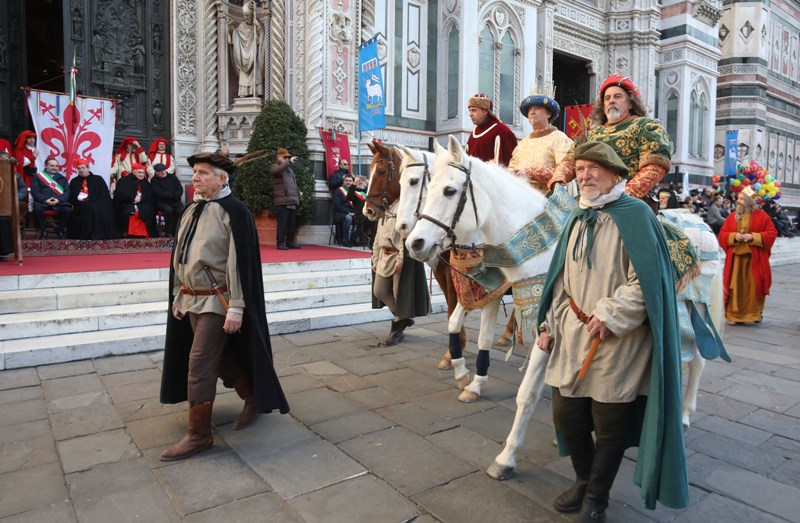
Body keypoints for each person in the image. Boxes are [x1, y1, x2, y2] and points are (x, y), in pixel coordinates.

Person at [537, 141, 688, 522]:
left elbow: (647, 282)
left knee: (610, 426)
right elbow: (560, 279)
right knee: (567, 418)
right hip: (573, 335)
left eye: (594, 169)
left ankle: (596, 498)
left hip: (620, 340)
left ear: (615, 174)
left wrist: (610, 315)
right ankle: (583, 479)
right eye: (580, 169)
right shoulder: (577, 215)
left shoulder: (636, 215)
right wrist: (549, 323)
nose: (585, 176)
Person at [160, 152, 289, 461]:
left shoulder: (235, 211)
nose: (195, 178)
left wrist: (237, 306)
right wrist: (178, 294)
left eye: (203, 173)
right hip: (191, 297)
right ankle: (252, 396)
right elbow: (180, 255)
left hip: (218, 300)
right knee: (222, 360)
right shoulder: (191, 209)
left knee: (199, 363)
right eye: (195, 172)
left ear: (221, 179)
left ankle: (199, 436)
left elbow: (238, 263)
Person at [553, 75, 673, 198]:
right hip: (590, 199)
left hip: (629, 201)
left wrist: (622, 197)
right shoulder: (591, 134)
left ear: (630, 104)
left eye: (617, 96)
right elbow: (570, 161)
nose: (611, 101)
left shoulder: (646, 126)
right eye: (607, 98)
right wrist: (559, 178)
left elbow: (654, 167)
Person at [371, 200, 430, 345]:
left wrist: (401, 258)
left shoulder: (402, 206)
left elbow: (405, 235)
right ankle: (403, 318)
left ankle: (396, 329)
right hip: (384, 256)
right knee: (379, 291)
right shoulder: (384, 207)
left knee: (399, 294)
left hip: (397, 256)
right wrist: (375, 258)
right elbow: (378, 236)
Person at [718, 187, 777, 325]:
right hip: (736, 260)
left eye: (741, 199)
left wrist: (753, 237)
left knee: (755, 286)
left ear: (749, 201)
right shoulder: (732, 216)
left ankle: (754, 314)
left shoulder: (762, 216)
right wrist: (733, 236)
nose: (738, 201)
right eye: (738, 198)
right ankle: (734, 315)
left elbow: (772, 233)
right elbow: (722, 234)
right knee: (734, 287)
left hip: (754, 259)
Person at [508, 91, 573, 192]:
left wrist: (531, 173)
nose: (532, 112)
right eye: (530, 109)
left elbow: (566, 170)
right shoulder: (522, 144)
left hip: (547, 198)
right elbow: (510, 172)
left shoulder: (560, 139)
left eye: (537, 108)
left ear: (549, 113)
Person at [67, 158, 119, 240]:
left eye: (83, 168)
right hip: (79, 205)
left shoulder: (98, 179)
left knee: (92, 208)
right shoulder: (74, 181)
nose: (81, 170)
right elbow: (72, 196)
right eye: (79, 168)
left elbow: (103, 195)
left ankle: (95, 234)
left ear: (88, 168)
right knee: (85, 207)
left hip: (96, 203)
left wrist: (91, 202)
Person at [465, 93, 517, 166]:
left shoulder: (502, 132)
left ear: (485, 111)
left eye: (474, 110)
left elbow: (507, 164)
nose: (470, 114)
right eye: (470, 110)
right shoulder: (473, 134)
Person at [228, 0, 266, 98]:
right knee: (244, 76)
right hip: (243, 56)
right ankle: (244, 92)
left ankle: (256, 92)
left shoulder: (257, 24)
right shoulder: (241, 26)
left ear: (252, 15)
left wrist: (258, 27)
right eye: (245, 16)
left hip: (254, 56)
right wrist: (232, 30)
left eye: (248, 16)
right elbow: (236, 35)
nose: (246, 18)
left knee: (256, 73)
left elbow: (262, 37)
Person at [269, 147, 301, 250]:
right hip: (282, 200)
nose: (287, 159)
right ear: (279, 157)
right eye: (285, 157)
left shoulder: (289, 169)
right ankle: (280, 242)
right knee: (282, 223)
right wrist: (289, 162)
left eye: (288, 157)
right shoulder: (274, 166)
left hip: (292, 200)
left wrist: (298, 196)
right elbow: (277, 170)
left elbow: (294, 184)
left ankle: (290, 241)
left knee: (291, 223)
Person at [31, 157, 71, 239]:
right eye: (52, 165)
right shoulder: (38, 177)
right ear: (45, 165)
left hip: (58, 202)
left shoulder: (62, 178)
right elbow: (35, 192)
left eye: (56, 166)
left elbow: (67, 192)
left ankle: (60, 230)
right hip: (43, 202)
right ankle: (43, 231)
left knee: (67, 210)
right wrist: (45, 200)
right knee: (37, 209)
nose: (54, 168)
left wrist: (58, 200)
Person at [114, 163, 156, 238]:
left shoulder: (145, 182)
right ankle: (130, 233)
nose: (141, 174)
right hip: (127, 203)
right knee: (130, 212)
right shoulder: (124, 181)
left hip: (142, 203)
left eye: (143, 172)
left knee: (147, 210)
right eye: (139, 172)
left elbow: (150, 196)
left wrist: (141, 199)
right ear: (133, 172)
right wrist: (133, 199)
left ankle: (143, 233)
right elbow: (120, 195)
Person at [150, 163, 185, 238]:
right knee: (169, 210)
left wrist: (176, 195)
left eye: (163, 170)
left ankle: (176, 231)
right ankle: (168, 232)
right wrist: (172, 196)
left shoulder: (173, 177)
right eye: (160, 171)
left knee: (181, 210)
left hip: (175, 200)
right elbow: (158, 193)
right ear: (156, 172)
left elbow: (180, 189)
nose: (162, 172)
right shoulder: (154, 180)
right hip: (162, 202)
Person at [346, 174, 371, 246]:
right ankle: (363, 238)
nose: (361, 182)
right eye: (359, 181)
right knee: (368, 220)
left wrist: (369, 184)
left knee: (374, 219)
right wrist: (354, 184)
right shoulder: (354, 191)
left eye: (362, 180)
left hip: (368, 213)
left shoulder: (366, 191)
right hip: (359, 214)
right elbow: (349, 198)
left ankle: (368, 238)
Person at [332, 173, 355, 246]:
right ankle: (345, 240)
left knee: (364, 217)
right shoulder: (338, 191)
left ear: (353, 182)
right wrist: (348, 212)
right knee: (348, 218)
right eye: (346, 181)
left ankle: (354, 239)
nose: (348, 182)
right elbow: (337, 206)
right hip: (340, 213)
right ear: (343, 181)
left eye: (350, 181)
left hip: (353, 212)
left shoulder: (354, 191)